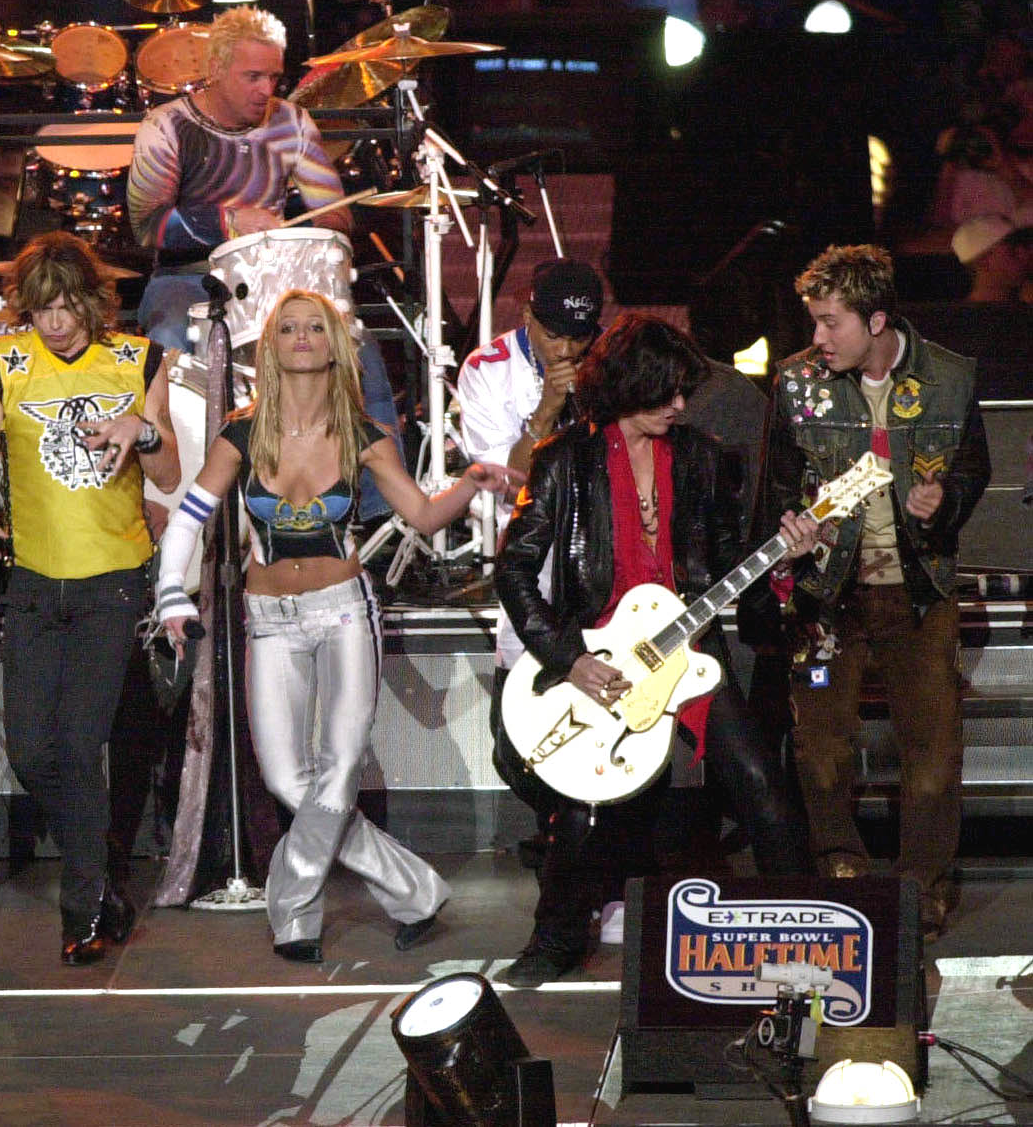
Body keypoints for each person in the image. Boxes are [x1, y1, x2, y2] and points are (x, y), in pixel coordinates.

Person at [155, 289, 519, 962]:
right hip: (268, 622)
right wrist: (170, 595)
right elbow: (188, 518)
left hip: (344, 612)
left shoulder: (364, 434)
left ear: (333, 346)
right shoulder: (241, 432)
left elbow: (426, 517)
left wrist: (470, 482)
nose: (300, 337)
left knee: (341, 766)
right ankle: (415, 890)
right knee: (288, 780)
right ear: (269, 345)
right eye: (286, 326)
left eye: (313, 327)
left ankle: (293, 915)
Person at [494, 316, 815, 987]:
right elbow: (514, 569)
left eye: (682, 393)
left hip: (690, 648)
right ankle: (553, 939)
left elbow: (730, 561)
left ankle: (811, 930)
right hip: (602, 659)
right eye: (666, 392)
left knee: (762, 784)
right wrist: (568, 655)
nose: (679, 405)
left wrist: (785, 561)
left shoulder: (702, 456)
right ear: (629, 384)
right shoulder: (564, 461)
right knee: (582, 808)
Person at [0, 232, 180, 965]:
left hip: (113, 579)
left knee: (81, 747)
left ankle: (83, 911)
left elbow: (171, 465)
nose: (53, 322)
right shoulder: (2, 364)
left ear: (90, 299)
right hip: (32, 581)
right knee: (31, 752)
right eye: (41, 307)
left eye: (65, 306)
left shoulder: (136, 357)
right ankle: (105, 874)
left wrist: (139, 428)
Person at [765, 244, 990, 940]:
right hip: (827, 593)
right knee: (821, 745)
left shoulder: (949, 377)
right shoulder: (796, 384)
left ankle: (922, 883)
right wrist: (790, 526)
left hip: (916, 588)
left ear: (877, 318)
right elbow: (777, 482)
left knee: (931, 745)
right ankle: (842, 871)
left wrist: (943, 500)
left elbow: (975, 467)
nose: (818, 337)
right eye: (815, 321)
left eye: (832, 322)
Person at [126, 5, 407, 516]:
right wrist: (229, 222)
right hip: (189, 279)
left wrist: (315, 225)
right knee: (168, 341)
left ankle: (383, 518)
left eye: (274, 76)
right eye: (252, 76)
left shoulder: (292, 122)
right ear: (215, 68)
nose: (265, 89)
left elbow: (336, 217)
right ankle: (167, 507)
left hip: (279, 277)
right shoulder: (165, 125)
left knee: (357, 349)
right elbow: (146, 227)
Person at [454, 259, 605, 868]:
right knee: (511, 744)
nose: (566, 348)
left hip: (599, 570)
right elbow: (507, 481)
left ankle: (583, 858)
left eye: (578, 336)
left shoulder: (609, 362)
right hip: (530, 571)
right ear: (526, 316)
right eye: (552, 334)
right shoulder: (486, 369)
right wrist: (546, 407)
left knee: (601, 722)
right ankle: (566, 836)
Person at [951, 211, 1033, 303]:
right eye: (1013, 249)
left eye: (1025, 244)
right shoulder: (960, 316)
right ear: (982, 261)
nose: (1027, 253)